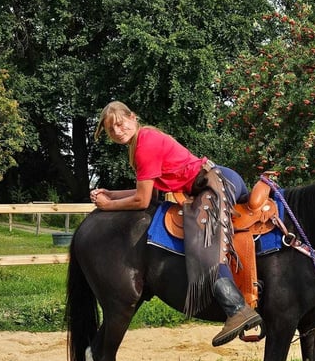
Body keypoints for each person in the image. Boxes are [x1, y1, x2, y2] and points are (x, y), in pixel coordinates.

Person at [91, 101, 262, 346]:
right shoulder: (142, 141)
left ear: (133, 117)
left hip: (216, 182)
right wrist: (113, 194)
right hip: (212, 181)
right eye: (111, 130)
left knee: (203, 239)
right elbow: (146, 191)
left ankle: (237, 309)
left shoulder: (144, 143)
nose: (118, 131)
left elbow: (142, 200)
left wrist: (108, 206)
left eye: (120, 124)